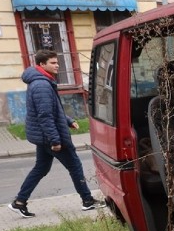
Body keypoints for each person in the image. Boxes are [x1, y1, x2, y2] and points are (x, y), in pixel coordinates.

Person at [8, 49, 104, 218]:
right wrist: (54, 140)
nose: (57, 65)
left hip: (43, 135)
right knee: (75, 166)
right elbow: (45, 115)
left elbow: (52, 109)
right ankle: (87, 200)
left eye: (57, 62)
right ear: (41, 64)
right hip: (50, 136)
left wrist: (67, 120)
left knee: (41, 168)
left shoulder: (42, 81)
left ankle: (20, 201)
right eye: (52, 63)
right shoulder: (41, 85)